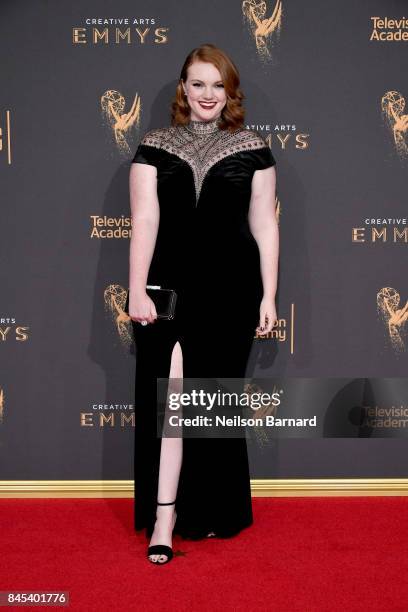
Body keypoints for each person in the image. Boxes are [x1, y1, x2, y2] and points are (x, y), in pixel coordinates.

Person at [128, 43, 279, 565]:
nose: (208, 94)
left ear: (228, 91)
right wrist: (135, 288)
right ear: (183, 89)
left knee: (210, 405)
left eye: (218, 84)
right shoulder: (154, 145)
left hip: (231, 292)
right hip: (169, 289)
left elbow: (264, 225)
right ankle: (164, 518)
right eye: (198, 84)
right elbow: (143, 222)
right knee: (172, 403)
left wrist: (270, 295)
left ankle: (212, 509)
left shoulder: (253, 147)